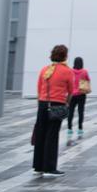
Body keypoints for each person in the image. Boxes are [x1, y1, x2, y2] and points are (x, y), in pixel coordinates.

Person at [32, 44, 74, 177]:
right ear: (65, 56)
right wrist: (66, 104)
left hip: (43, 104)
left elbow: (39, 88)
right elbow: (71, 91)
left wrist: (42, 101)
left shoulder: (44, 69)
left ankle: (38, 166)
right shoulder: (67, 71)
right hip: (57, 105)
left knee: (41, 134)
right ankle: (50, 167)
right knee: (52, 136)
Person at [67, 56, 90, 134]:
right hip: (81, 94)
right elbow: (88, 80)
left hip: (72, 94)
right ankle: (80, 128)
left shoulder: (70, 71)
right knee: (81, 111)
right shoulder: (84, 72)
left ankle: (69, 128)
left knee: (70, 111)